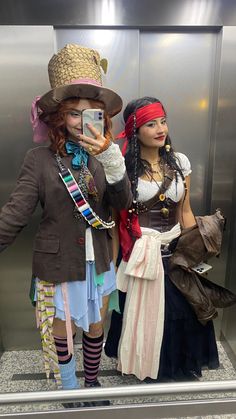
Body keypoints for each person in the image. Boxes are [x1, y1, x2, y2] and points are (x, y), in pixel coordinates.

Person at [0, 44, 132, 406]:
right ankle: (70, 387)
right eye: (74, 113)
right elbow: (16, 210)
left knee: (94, 324)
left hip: (100, 257)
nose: (82, 120)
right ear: (59, 117)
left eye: (91, 113)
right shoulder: (39, 159)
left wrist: (111, 159)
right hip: (58, 261)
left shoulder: (107, 155)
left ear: (103, 117)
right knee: (64, 326)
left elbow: (123, 204)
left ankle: (91, 384)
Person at [104, 96, 236, 382]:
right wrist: (115, 265)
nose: (160, 128)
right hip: (142, 254)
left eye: (162, 121)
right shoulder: (123, 171)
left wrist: (196, 250)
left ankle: (176, 365)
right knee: (145, 315)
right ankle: (145, 366)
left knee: (182, 308)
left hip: (175, 249)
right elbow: (117, 224)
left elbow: (185, 210)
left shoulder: (180, 162)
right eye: (151, 124)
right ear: (135, 130)